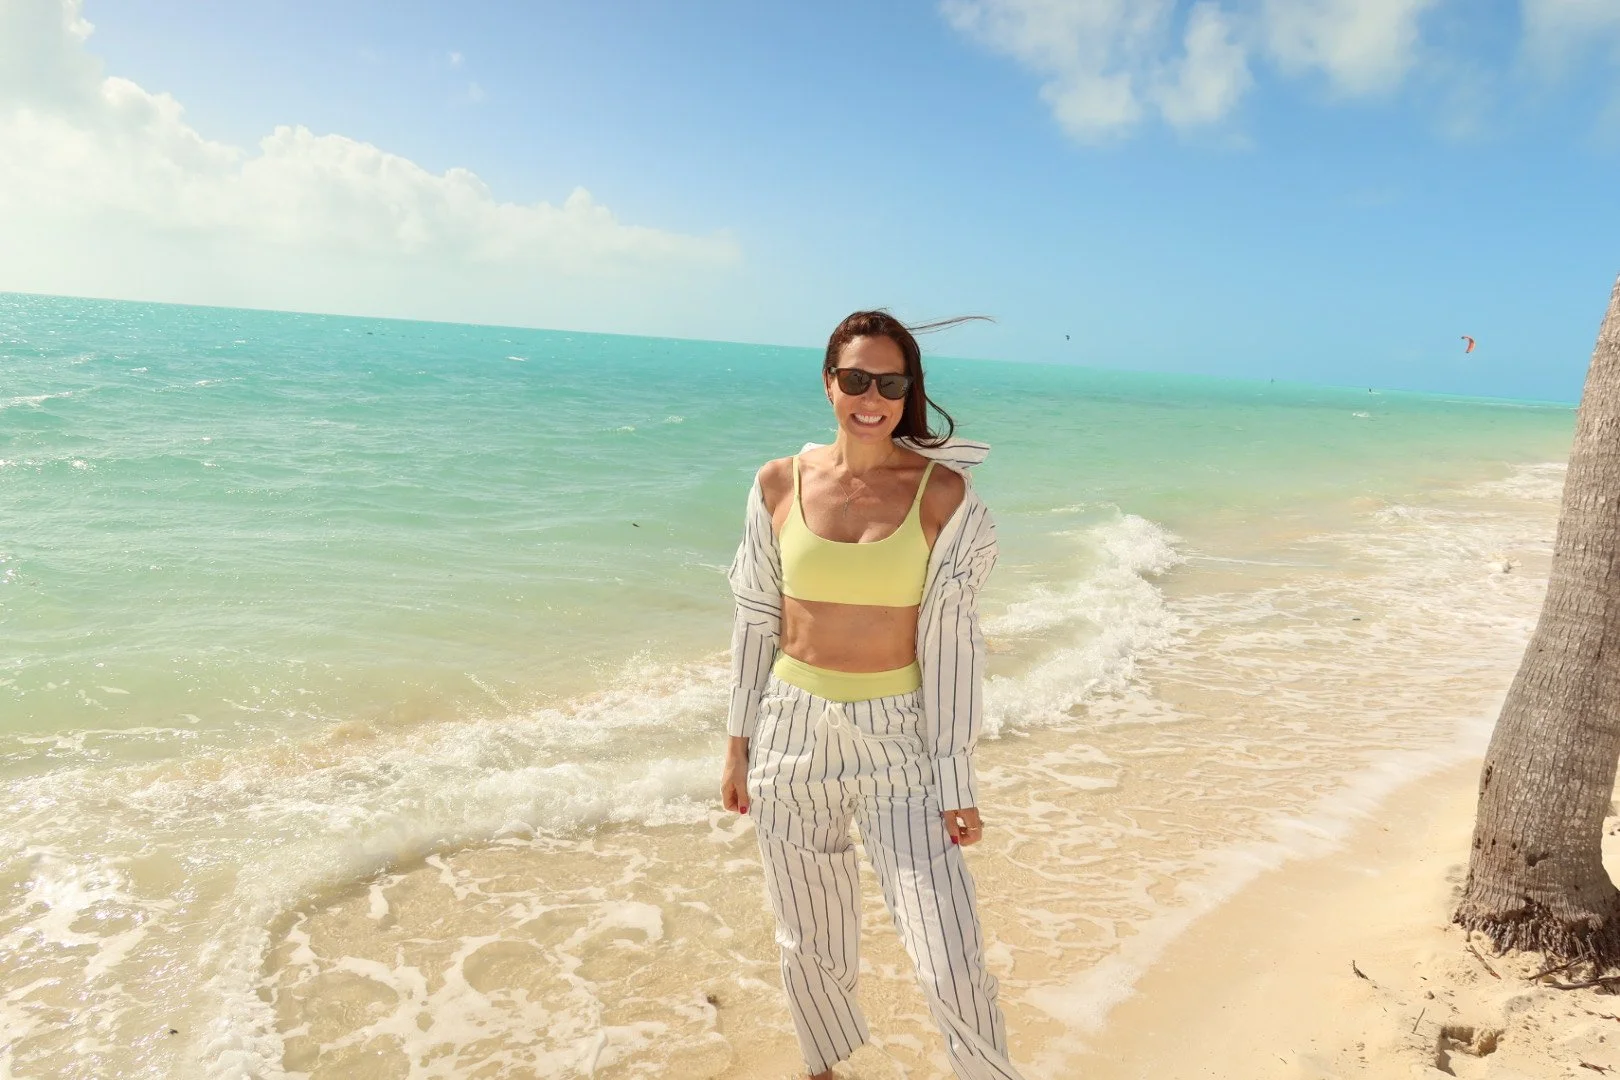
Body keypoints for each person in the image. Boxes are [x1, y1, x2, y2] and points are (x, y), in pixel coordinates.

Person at [719, 310, 1024, 1080]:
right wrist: (737, 745)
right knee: (809, 943)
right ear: (829, 383)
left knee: (949, 957)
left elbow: (953, 648)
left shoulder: (944, 496)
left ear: (908, 392)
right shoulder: (777, 483)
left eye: (891, 384)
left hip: (901, 743)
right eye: (856, 379)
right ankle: (825, 1068)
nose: (872, 398)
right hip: (789, 735)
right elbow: (755, 619)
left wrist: (956, 778)